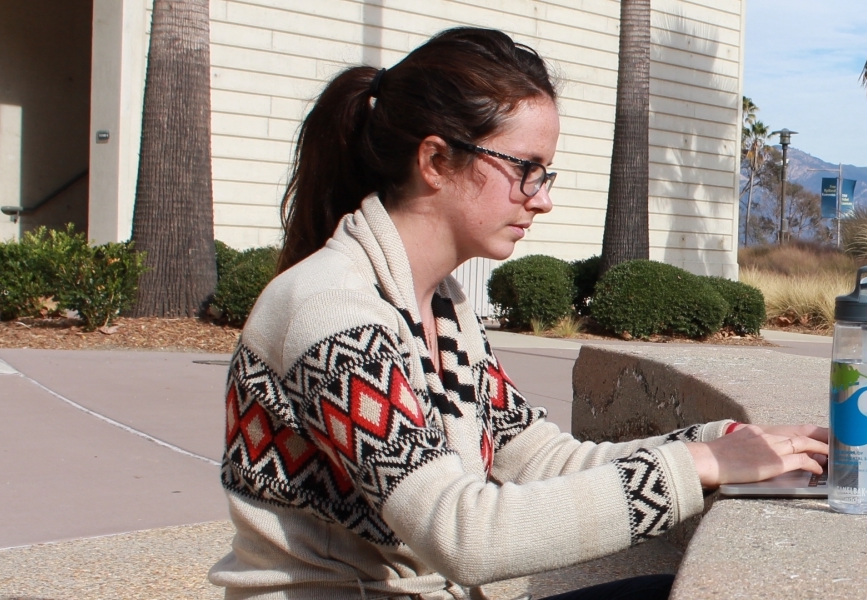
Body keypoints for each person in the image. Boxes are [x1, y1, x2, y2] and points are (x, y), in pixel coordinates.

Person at [208, 28, 828, 600]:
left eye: (546, 172)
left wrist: (720, 444)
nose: (544, 199)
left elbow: (539, 460)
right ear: (435, 161)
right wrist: (698, 469)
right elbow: (466, 538)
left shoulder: (443, 308)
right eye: (526, 170)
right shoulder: (333, 313)